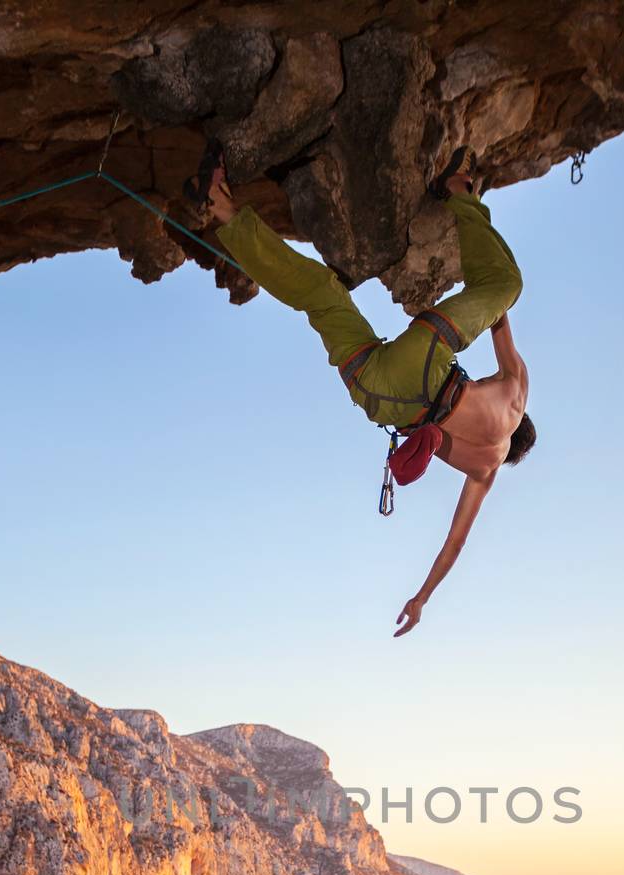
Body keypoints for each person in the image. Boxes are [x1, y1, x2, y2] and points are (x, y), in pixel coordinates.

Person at [186, 145, 534, 637]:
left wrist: (476, 289)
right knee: (321, 299)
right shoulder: (482, 475)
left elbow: (497, 313)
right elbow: (453, 545)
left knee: (507, 282)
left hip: (425, 364)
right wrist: (420, 600)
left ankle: (459, 190)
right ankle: (222, 209)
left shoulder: (516, 399)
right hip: (377, 398)